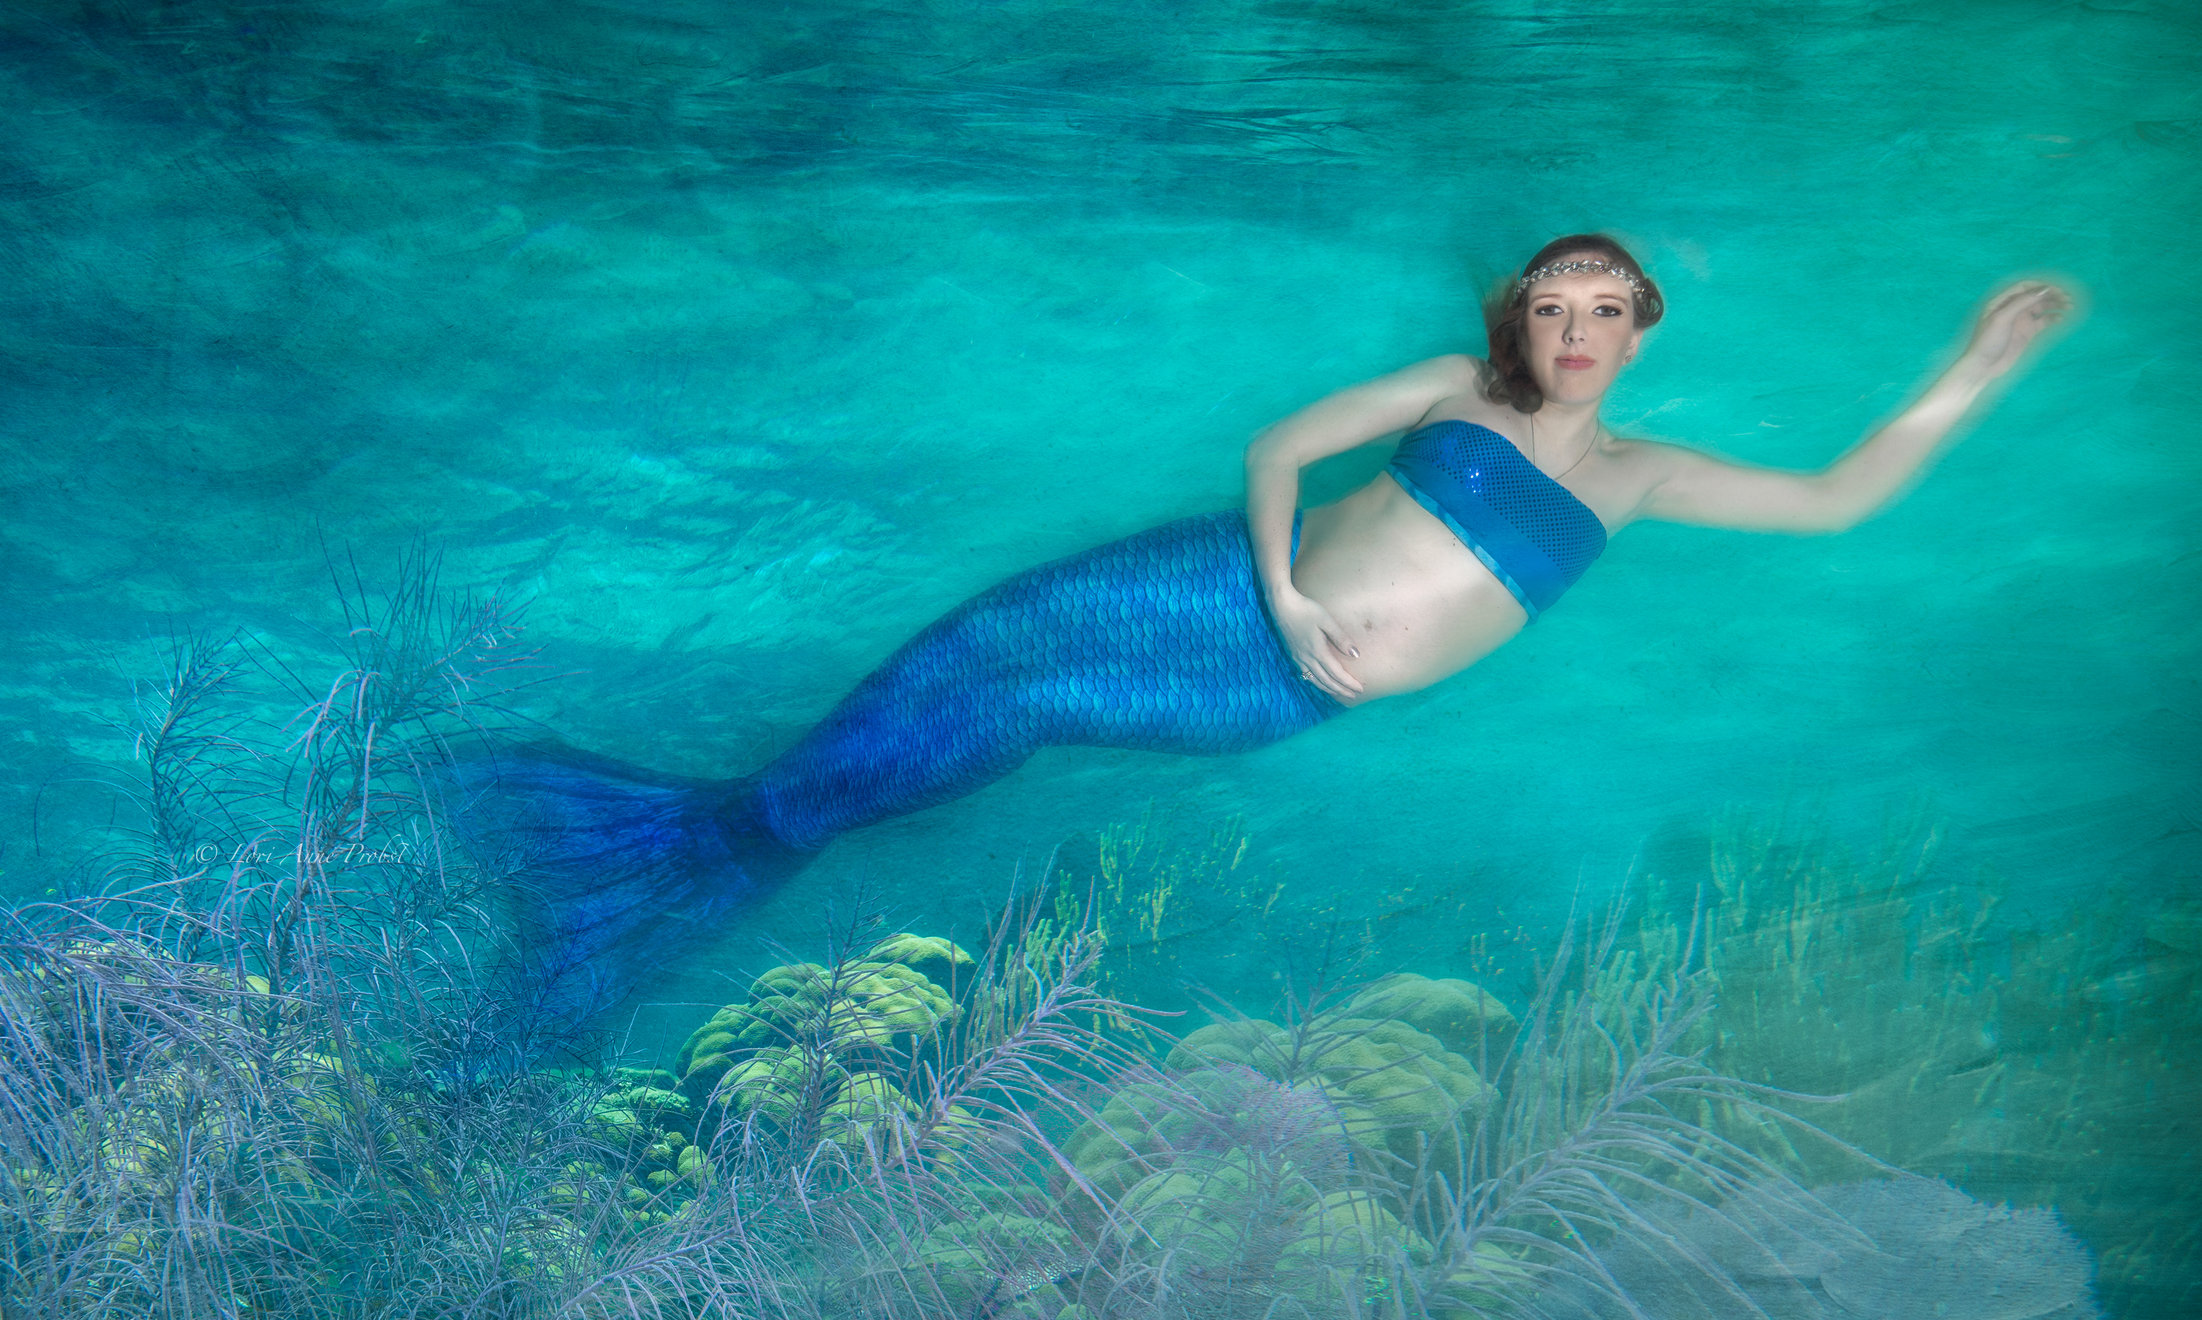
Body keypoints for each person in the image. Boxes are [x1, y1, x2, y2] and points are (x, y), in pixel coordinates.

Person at [438, 232, 2074, 1010]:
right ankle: (673, 851)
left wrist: (1973, 365)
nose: (1574, 327)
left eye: (1604, 309)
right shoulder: (1453, 385)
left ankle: (665, 862)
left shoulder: (1644, 479)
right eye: (1553, 305)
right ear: (1525, 319)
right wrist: (1287, 593)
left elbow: (1840, 498)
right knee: (976, 656)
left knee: (1005, 720)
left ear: (1640, 330)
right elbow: (1279, 450)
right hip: (1226, 585)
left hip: (1280, 693)